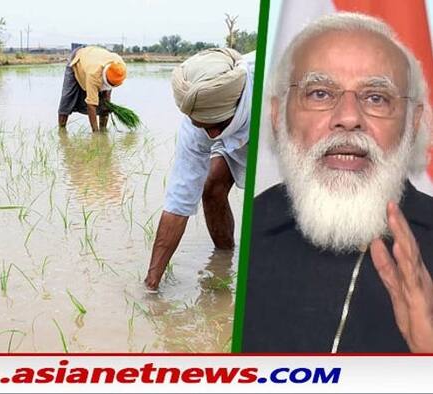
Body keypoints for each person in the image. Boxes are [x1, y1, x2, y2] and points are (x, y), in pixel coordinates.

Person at [243, 13, 433, 352]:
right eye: (319, 93)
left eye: (376, 97)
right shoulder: (247, 229)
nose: (348, 118)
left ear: (413, 123)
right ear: (277, 115)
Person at [144, 48, 253, 292]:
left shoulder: (277, 88)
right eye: (202, 127)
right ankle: (225, 257)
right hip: (235, 128)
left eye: (216, 126)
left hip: (275, 131)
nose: (211, 136)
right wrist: (151, 284)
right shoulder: (202, 117)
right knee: (212, 186)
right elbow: (178, 201)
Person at [58, 46, 127, 132]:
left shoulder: (119, 67)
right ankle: (61, 129)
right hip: (77, 60)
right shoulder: (94, 74)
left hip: (94, 57)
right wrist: (95, 133)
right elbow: (91, 105)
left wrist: (106, 99)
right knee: (67, 98)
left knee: (105, 103)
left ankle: (103, 129)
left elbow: (109, 90)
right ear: (104, 77)